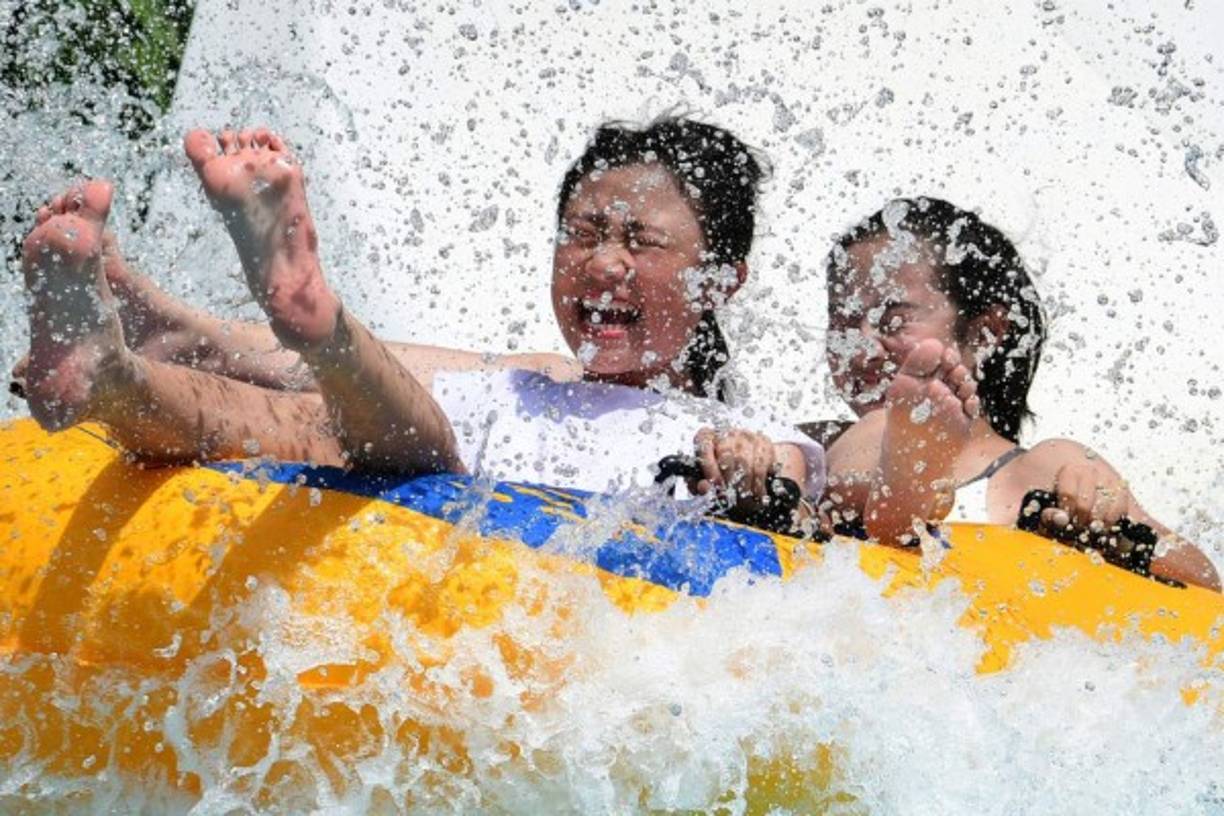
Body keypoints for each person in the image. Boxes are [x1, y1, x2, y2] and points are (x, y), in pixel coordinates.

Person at [18, 117, 827, 519]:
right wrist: (164, 315)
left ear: (722, 281)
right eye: (582, 234)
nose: (603, 263)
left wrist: (752, 471)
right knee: (311, 410)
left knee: (377, 435)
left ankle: (309, 313)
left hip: (448, 498)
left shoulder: (746, 428)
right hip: (402, 493)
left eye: (640, 241)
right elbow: (282, 368)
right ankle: (113, 369)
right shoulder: (522, 381)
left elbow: (791, 484)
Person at [813, 196, 1220, 591]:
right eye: (842, 323)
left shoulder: (1038, 471)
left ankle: (897, 501)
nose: (861, 348)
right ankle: (895, 499)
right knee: (811, 458)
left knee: (855, 444)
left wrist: (1110, 526)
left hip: (965, 608)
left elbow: (1205, 583)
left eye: (895, 320)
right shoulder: (811, 444)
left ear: (985, 331)